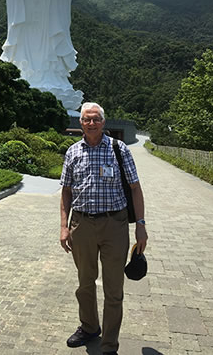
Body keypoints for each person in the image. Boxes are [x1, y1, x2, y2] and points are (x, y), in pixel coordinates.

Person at [60, 102, 148, 354]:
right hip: (82, 224)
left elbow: (135, 188)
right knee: (85, 282)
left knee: (113, 287)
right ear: (81, 123)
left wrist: (140, 225)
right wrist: (64, 227)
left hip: (114, 224)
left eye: (96, 119)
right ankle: (89, 327)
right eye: (86, 119)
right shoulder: (73, 152)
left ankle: (109, 344)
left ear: (103, 122)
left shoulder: (119, 150)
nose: (91, 123)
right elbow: (66, 191)